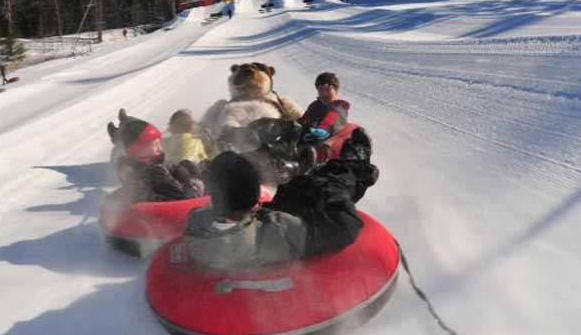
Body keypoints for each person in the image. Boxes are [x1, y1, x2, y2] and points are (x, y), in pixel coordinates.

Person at [182, 128, 378, 270]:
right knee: (326, 187)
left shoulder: (196, 221)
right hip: (261, 240)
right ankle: (353, 165)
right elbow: (344, 225)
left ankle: (313, 175)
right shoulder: (277, 233)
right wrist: (328, 188)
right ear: (254, 202)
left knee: (293, 190)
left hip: (241, 232)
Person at [108, 111, 204, 203]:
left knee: (184, 166)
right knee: (189, 167)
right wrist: (192, 180)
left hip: (154, 195)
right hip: (172, 202)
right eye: (154, 144)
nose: (159, 147)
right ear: (140, 150)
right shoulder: (156, 172)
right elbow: (185, 196)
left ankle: (123, 126)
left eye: (158, 143)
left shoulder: (131, 166)